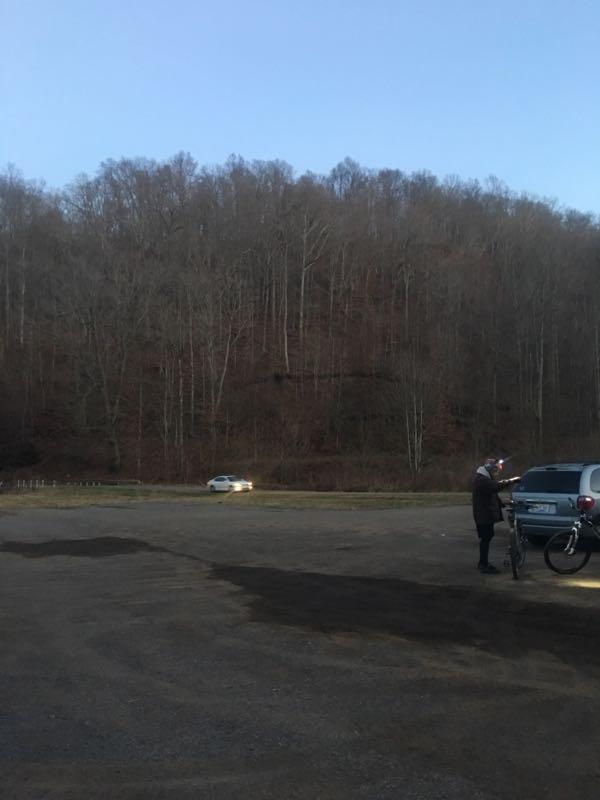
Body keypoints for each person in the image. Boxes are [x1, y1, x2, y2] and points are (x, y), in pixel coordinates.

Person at [471, 458, 520, 574]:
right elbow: (496, 487)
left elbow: (492, 493)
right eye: (495, 470)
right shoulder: (481, 479)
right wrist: (512, 480)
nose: (496, 473)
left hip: (484, 514)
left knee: (486, 538)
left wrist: (502, 503)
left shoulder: (484, 478)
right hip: (483, 515)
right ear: (489, 469)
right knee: (485, 539)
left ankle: (483, 563)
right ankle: (483, 564)